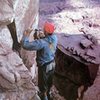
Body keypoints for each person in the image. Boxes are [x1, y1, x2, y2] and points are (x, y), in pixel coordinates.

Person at [21, 22, 58, 100]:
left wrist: (26, 35)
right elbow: (49, 44)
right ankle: (49, 95)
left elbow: (25, 45)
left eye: (44, 29)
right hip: (52, 63)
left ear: (47, 32)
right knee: (49, 83)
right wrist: (42, 37)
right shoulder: (54, 38)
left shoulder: (42, 43)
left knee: (42, 87)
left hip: (45, 66)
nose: (43, 29)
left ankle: (44, 97)